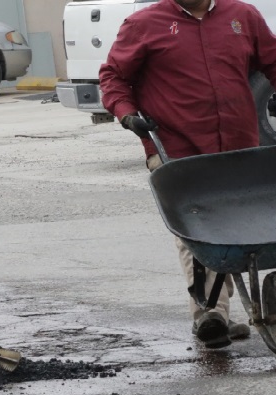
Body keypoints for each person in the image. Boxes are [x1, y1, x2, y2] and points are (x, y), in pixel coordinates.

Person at [100, 0, 276, 348]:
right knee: (199, 229)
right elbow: (114, 77)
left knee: (252, 223)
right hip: (178, 151)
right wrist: (127, 115)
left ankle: (225, 308)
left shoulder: (242, 17)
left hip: (239, 150)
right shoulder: (143, 24)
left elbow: (273, 60)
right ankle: (210, 313)